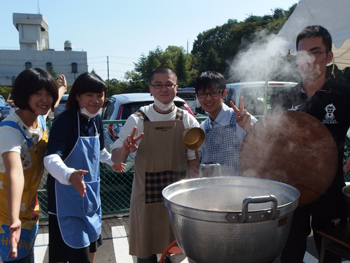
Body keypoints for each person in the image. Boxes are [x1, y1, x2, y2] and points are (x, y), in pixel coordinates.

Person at [272, 25, 350, 263]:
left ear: (328, 56)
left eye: (315, 52)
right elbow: (272, 140)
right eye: (302, 53)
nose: (308, 59)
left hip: (331, 188)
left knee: (329, 253)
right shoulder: (284, 97)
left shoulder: (344, 94)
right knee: (290, 252)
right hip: (291, 189)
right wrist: (250, 128)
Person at [111, 66, 199, 263]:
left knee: (175, 255)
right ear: (150, 88)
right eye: (158, 85)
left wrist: (193, 197)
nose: (164, 89)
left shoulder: (186, 119)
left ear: (176, 88)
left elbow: (193, 160)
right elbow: (117, 159)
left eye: (169, 84)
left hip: (177, 198)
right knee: (145, 254)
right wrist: (126, 149)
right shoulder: (137, 119)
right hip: (145, 198)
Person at [43, 72, 125, 263]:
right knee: (71, 252)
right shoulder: (65, 121)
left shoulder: (95, 119)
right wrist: (69, 174)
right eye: (90, 95)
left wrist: (112, 161)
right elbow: (50, 158)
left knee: (91, 246)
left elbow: (99, 151)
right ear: (78, 96)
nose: (96, 100)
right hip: (66, 201)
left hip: (91, 198)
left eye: (100, 95)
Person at [0, 68, 66, 262]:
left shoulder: (40, 118)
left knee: (28, 256)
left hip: (29, 209)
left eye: (48, 94)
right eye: (37, 93)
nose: (44, 99)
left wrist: (61, 88)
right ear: (23, 94)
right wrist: (14, 221)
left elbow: (53, 101)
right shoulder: (9, 131)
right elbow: (15, 174)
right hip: (6, 214)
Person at [194, 70, 257, 176]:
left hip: (245, 185)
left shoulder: (241, 119)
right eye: (202, 94)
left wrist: (249, 128)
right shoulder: (204, 128)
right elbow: (207, 163)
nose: (208, 98)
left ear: (223, 93)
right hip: (218, 188)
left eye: (214, 92)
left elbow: (265, 147)